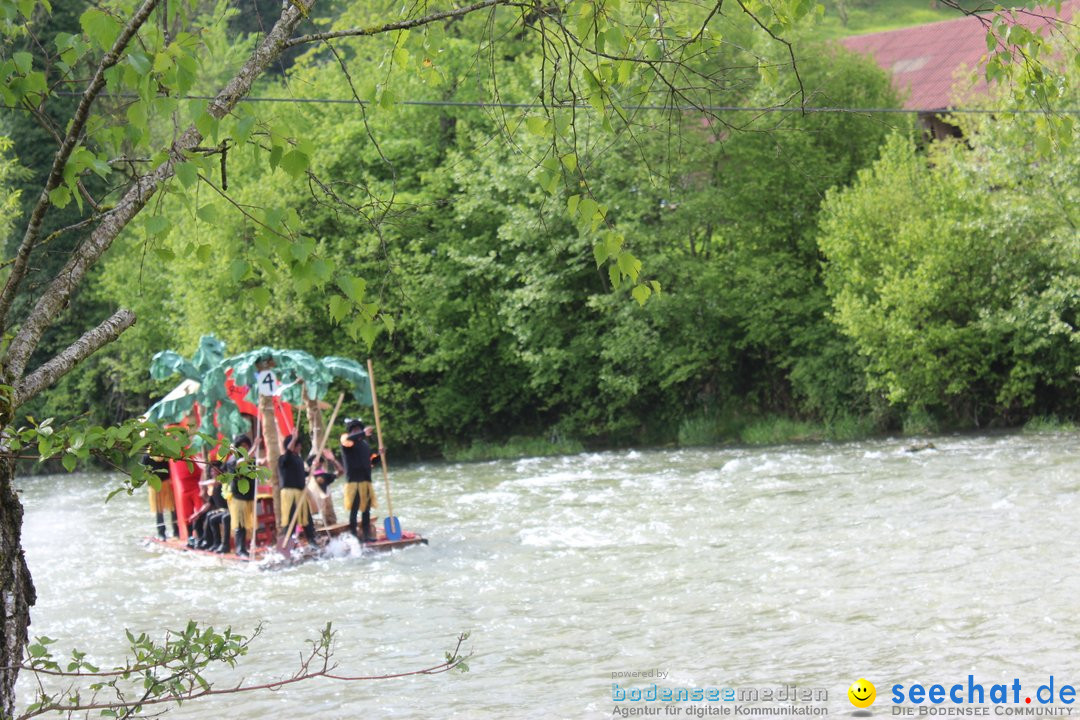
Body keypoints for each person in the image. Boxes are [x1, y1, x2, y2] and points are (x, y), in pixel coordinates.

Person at [339, 418, 379, 542]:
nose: (358, 432)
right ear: (351, 432)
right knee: (354, 510)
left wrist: (379, 455)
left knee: (366, 510)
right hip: (353, 482)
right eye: (355, 430)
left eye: (359, 429)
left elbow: (370, 462)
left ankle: (366, 535)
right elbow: (347, 440)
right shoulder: (346, 441)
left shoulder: (365, 445)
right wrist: (362, 433)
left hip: (365, 481)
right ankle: (354, 535)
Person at [279, 433, 318, 547]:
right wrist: (294, 438)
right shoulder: (283, 459)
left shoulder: (298, 459)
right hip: (289, 494)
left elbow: (302, 474)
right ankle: (288, 545)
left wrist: (311, 469)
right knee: (291, 520)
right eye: (298, 445)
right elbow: (287, 453)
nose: (300, 447)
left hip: (300, 493)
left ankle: (312, 541)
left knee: (307, 519)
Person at [226, 434, 255, 557]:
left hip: (249, 496)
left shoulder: (251, 459)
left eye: (247, 445)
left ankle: (245, 548)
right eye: (243, 446)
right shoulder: (233, 459)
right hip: (238, 498)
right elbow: (241, 463)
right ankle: (240, 549)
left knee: (246, 525)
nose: (246, 448)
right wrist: (256, 446)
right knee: (240, 525)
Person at [142, 452, 178, 540]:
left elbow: (171, 467)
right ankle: (162, 533)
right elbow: (143, 471)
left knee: (173, 508)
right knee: (159, 510)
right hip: (155, 486)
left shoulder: (166, 454)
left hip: (167, 483)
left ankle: (176, 532)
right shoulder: (147, 456)